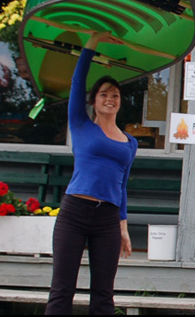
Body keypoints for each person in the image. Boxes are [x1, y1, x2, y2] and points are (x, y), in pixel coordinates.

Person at [46, 31, 137, 315]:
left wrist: (123, 226)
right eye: (103, 94)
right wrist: (92, 42)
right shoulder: (82, 125)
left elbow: (121, 186)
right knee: (62, 290)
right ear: (93, 100)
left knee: (103, 294)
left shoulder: (130, 143)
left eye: (115, 95)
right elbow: (77, 81)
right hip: (74, 212)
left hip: (107, 219)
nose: (110, 99)